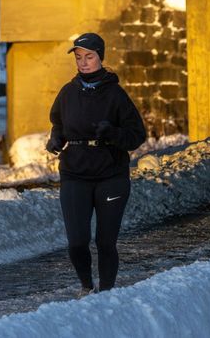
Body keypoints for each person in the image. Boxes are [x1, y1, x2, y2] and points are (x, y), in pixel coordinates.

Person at [46, 32, 146, 296]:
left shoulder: (116, 95)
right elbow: (58, 122)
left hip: (110, 174)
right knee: (77, 242)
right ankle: (86, 286)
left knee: (105, 241)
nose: (83, 62)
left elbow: (137, 135)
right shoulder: (68, 93)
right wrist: (57, 138)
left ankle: (107, 292)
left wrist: (112, 133)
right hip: (75, 173)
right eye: (79, 57)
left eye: (89, 57)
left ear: (100, 57)